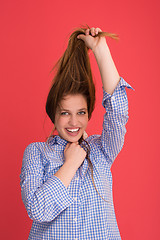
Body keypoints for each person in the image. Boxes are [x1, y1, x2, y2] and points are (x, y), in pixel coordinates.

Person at [20, 25, 133, 240]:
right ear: (53, 114)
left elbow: (118, 110)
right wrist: (70, 164)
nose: (74, 122)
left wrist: (101, 50)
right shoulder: (36, 153)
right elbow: (37, 209)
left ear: (89, 113)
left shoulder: (102, 150)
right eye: (65, 113)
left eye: (81, 112)